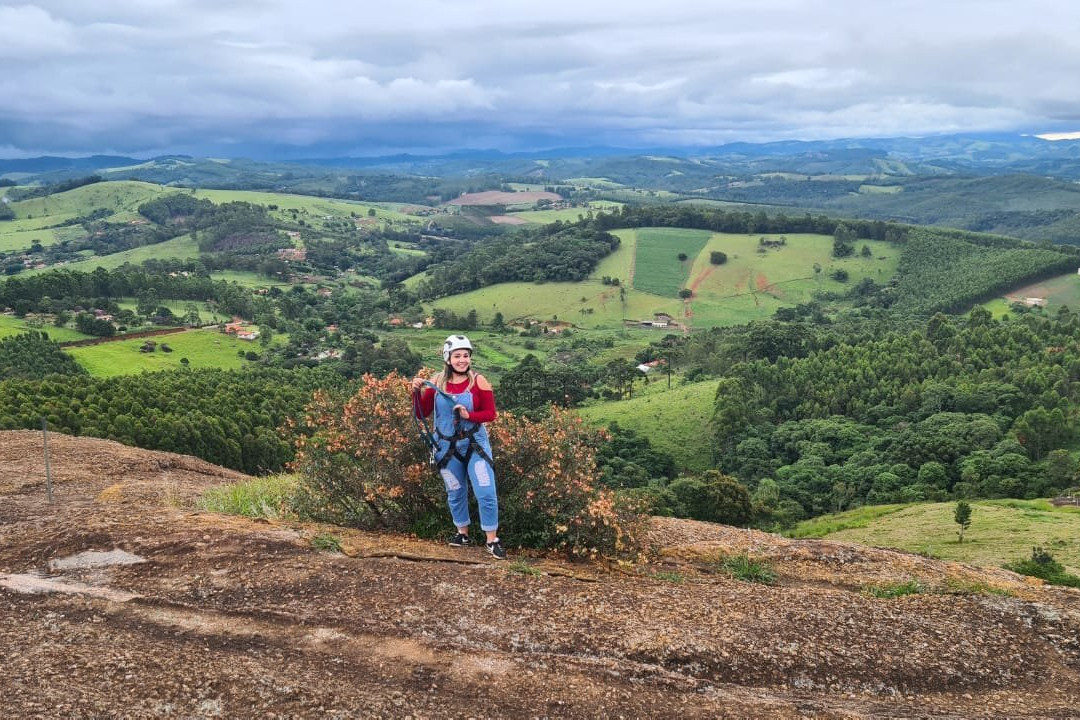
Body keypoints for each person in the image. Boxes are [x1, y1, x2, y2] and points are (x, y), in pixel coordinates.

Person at [411, 334, 506, 560]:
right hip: (445, 447)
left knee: (485, 491)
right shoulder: (435, 382)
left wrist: (469, 415)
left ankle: (492, 539)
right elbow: (421, 413)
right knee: (455, 491)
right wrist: (416, 392)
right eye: (457, 356)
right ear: (448, 358)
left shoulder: (479, 381)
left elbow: (490, 413)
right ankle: (462, 533)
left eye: (465, 355)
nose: (462, 360)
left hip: (475, 445)